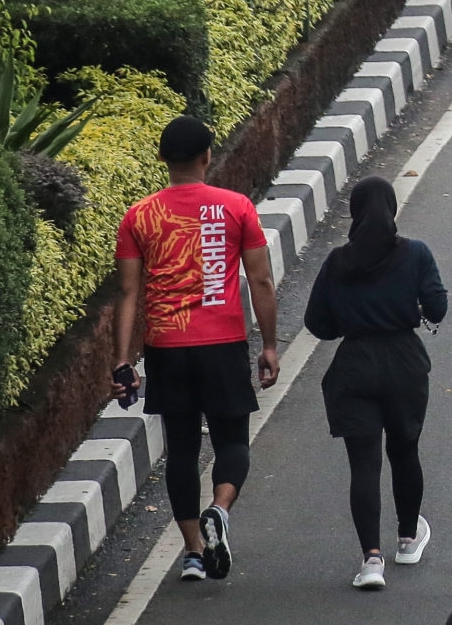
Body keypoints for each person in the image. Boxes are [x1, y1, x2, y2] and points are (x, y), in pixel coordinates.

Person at [110, 113, 279, 585]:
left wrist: (123, 359)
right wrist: (268, 344)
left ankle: (192, 552)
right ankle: (220, 510)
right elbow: (260, 279)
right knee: (232, 443)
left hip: (166, 347)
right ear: (208, 156)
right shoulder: (236, 207)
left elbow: (128, 293)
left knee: (181, 450)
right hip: (223, 342)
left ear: (162, 159)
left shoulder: (138, 216)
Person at [302, 174, 449, 589]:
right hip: (404, 363)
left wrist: (352, 320)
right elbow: (436, 309)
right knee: (405, 450)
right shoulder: (415, 254)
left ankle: (370, 559)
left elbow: (317, 323)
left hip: (355, 366)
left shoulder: (337, 261)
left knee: (363, 464)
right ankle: (407, 537)